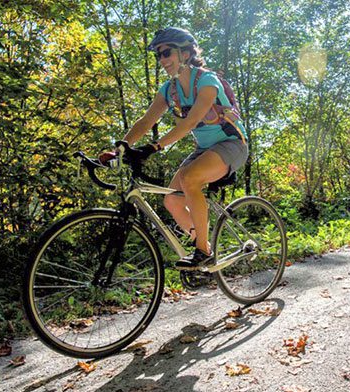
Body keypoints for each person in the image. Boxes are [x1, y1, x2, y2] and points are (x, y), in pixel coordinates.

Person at [101, 27, 248, 268]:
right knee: (172, 201)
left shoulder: (207, 80)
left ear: (186, 53)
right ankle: (206, 248)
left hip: (232, 144)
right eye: (158, 55)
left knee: (190, 179)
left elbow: (190, 121)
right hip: (204, 150)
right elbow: (147, 121)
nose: (162, 60)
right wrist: (120, 149)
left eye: (166, 52)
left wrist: (154, 147)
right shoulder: (169, 90)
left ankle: (202, 250)